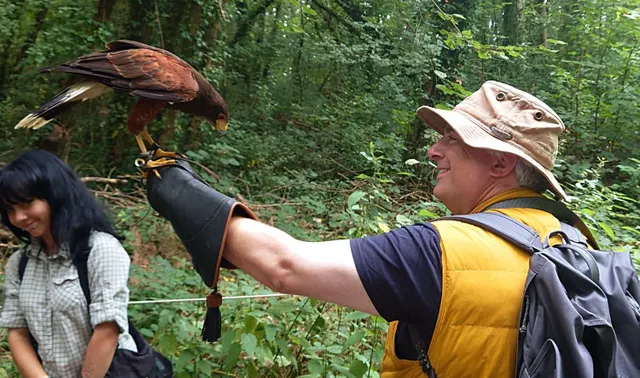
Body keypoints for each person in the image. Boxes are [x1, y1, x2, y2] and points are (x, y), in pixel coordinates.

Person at [143, 80, 585, 377]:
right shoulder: (573, 241)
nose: (433, 150)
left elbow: (284, 266)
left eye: (452, 139)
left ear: (501, 162)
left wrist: (178, 190)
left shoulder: (444, 252)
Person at [0, 150, 137, 378]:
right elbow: (17, 332)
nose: (19, 217)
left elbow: (108, 329)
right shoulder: (19, 264)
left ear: (55, 194)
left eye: (26, 203)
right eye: (10, 210)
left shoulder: (101, 249)